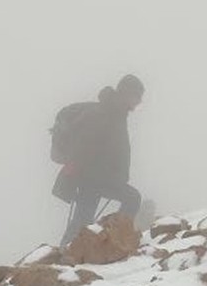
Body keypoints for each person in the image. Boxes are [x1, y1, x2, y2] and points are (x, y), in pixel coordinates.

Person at [52, 74, 144, 247]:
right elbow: (85, 143)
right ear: (127, 93)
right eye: (137, 96)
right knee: (132, 198)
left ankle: (66, 250)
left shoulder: (115, 113)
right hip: (93, 176)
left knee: (82, 220)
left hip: (96, 176)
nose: (139, 101)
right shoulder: (105, 113)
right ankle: (115, 240)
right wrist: (75, 170)